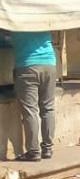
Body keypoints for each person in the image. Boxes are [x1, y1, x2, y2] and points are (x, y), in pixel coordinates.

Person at [9, 31, 58, 162]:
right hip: (49, 64)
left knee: (30, 111)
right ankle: (47, 149)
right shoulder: (39, 15)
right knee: (48, 108)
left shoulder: (14, 18)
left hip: (27, 65)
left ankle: (33, 151)